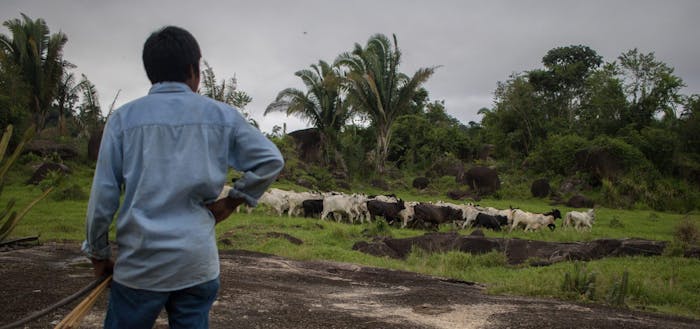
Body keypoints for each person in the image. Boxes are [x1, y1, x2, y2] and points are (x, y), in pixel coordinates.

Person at [81, 25, 284, 329]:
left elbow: (103, 197)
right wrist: (232, 201)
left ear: (150, 71)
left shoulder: (124, 119)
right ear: (193, 69)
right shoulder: (222, 116)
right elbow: (271, 160)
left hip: (140, 266)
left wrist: (98, 254)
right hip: (196, 265)